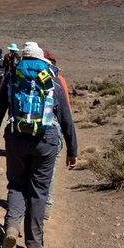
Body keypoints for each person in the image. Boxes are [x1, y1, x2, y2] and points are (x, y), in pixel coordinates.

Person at [0, 41, 78, 248]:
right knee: (38, 191)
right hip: (46, 141)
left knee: (17, 185)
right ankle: (34, 246)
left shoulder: (12, 77)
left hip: (16, 138)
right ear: (40, 59)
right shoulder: (52, 79)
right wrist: (72, 150)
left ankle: (11, 228)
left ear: (23, 57)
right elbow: (66, 117)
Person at [43, 49, 70, 220]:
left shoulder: (32, 78)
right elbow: (66, 109)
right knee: (49, 170)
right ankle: (46, 206)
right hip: (54, 130)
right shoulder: (59, 80)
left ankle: (32, 204)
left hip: (32, 130)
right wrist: (71, 147)